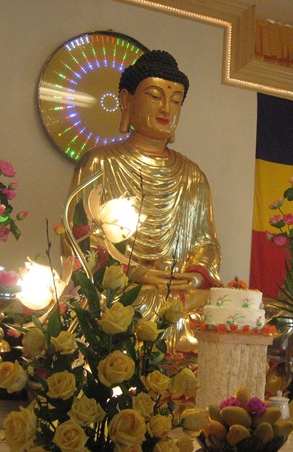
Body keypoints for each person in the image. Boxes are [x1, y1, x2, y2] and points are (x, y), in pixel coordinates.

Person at [64, 50, 222, 322]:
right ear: (127, 100)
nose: (166, 109)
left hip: (178, 294)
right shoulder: (99, 162)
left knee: (225, 305)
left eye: (176, 101)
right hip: (121, 291)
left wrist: (194, 278)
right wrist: (136, 273)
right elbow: (77, 238)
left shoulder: (193, 176)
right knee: (126, 307)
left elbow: (206, 245)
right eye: (154, 96)